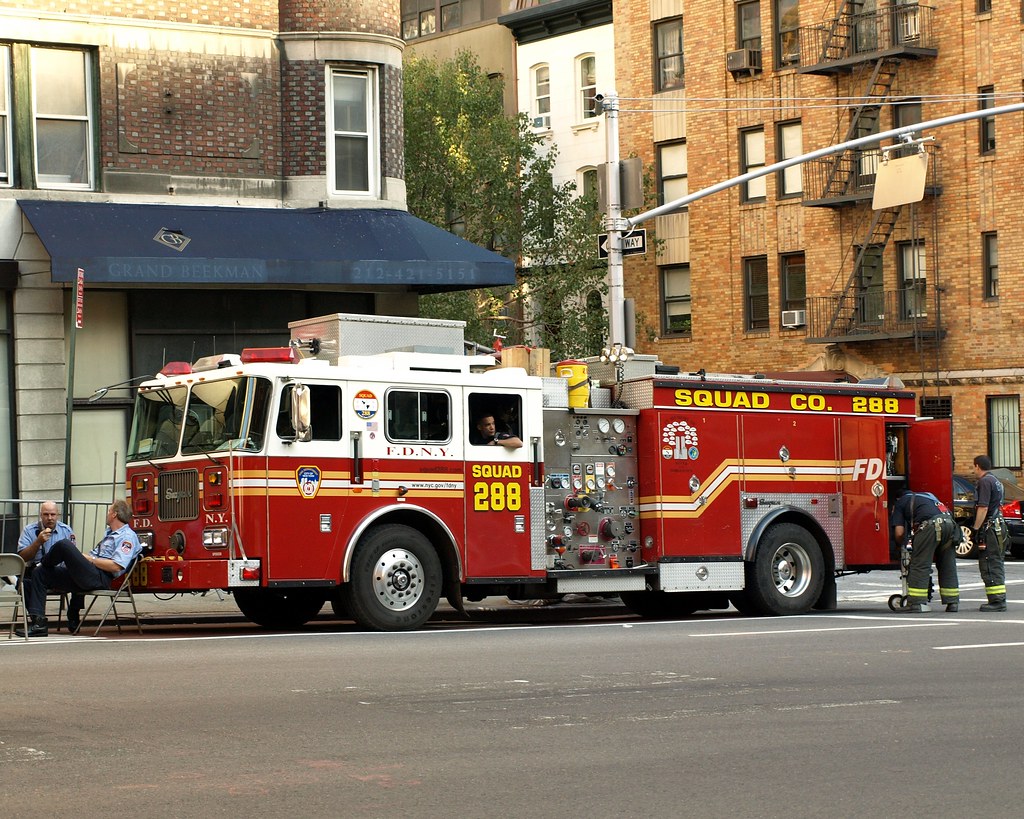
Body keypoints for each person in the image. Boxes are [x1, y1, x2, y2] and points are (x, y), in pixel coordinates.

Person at [18, 499, 143, 637]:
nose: (107, 514)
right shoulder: (109, 533)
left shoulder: (127, 536)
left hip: (100, 577)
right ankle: (39, 624)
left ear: (114, 514)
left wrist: (90, 559)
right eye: (46, 514)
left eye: (109, 511)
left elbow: (116, 566)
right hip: (88, 574)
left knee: (64, 545)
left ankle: (45, 562)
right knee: (40, 572)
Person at [891, 487, 960, 613]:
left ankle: (916, 603)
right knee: (947, 565)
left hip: (930, 526)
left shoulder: (900, 502)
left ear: (898, 498)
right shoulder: (929, 496)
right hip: (951, 526)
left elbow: (899, 532)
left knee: (920, 564)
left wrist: (899, 546)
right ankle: (952, 602)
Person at [973, 455, 1008, 611]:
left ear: (977, 466)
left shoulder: (985, 481)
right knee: (996, 561)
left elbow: (983, 507)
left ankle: (997, 601)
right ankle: (998, 599)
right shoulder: (996, 481)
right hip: (999, 526)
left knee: (989, 562)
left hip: (990, 528)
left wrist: (976, 529)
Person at [16, 500, 76, 576]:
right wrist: (38, 542)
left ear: (57, 515)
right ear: (41, 515)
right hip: (37, 572)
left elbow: (73, 557)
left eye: (53, 514)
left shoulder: (66, 530)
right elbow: (22, 557)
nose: (49, 518)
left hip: (60, 573)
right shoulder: (29, 530)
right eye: (46, 514)